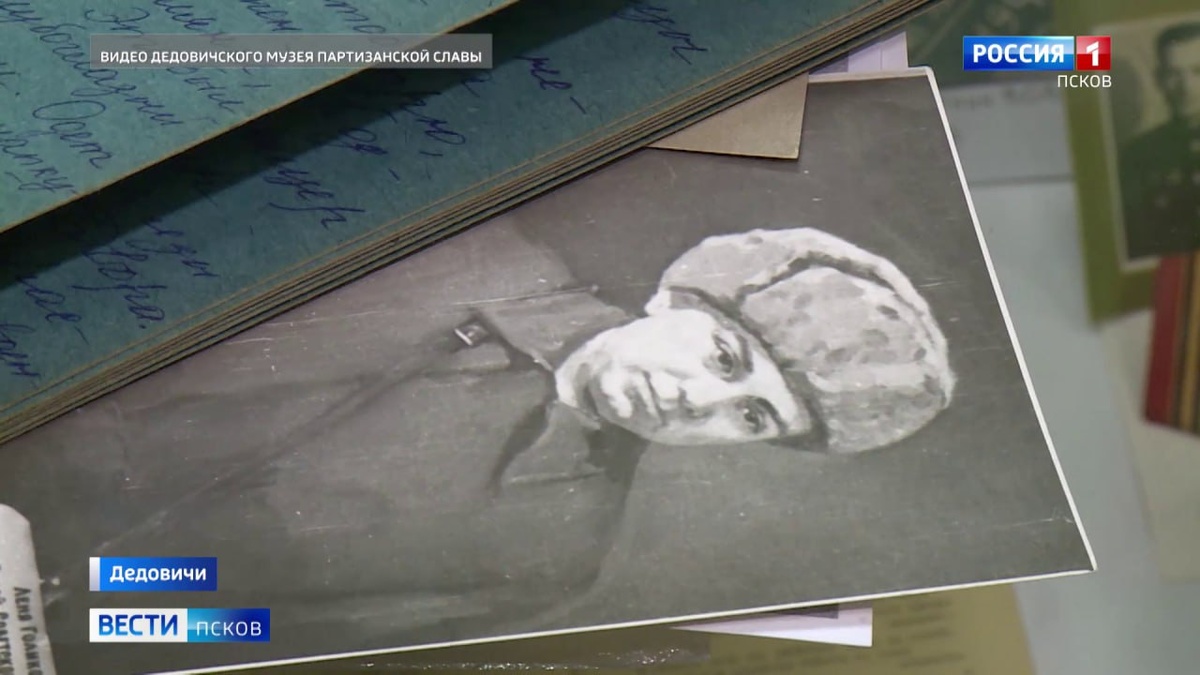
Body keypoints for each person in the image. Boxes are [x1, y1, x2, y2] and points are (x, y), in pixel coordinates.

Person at [3, 222, 954, 668]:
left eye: (751, 416)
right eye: (723, 355)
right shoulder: (458, 246)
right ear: (680, 294)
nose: (694, 398)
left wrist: (71, 627)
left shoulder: (553, 552)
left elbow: (258, 628)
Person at [1118, 21, 1200, 258]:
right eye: (1174, 74)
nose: (1186, 87)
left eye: (1198, 71)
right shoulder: (1136, 157)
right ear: (1159, 80)